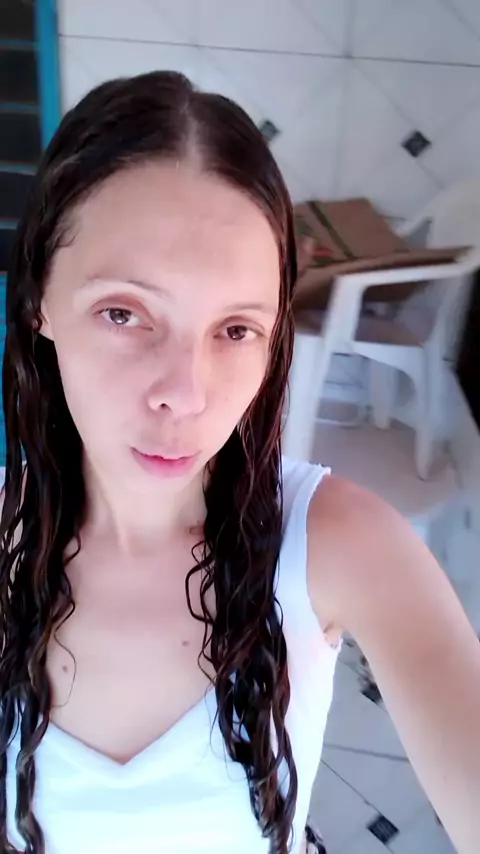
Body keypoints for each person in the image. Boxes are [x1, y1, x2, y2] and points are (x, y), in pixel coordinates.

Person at [0, 71, 478, 854]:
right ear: (39, 304)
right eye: (124, 313)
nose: (185, 395)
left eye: (234, 330)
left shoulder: (341, 546)